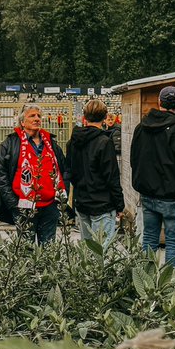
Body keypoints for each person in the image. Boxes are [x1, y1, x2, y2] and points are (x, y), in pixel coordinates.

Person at [130, 86, 175, 269]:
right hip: (174, 196)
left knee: (149, 240)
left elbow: (134, 159)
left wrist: (140, 185)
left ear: (158, 102)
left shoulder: (141, 128)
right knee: (174, 243)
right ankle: (171, 287)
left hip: (149, 194)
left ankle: (146, 282)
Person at [0, 104, 68, 245]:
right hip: (23, 206)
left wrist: (60, 198)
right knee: (25, 250)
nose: (37, 119)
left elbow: (63, 170)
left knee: (48, 249)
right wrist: (12, 202)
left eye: (39, 116)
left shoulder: (50, 142)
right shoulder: (11, 143)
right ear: (22, 122)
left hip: (50, 206)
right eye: (32, 116)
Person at [65, 99, 124, 245]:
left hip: (82, 201)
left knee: (88, 250)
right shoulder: (104, 142)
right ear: (105, 118)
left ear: (84, 116)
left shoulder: (73, 141)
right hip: (102, 203)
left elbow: (69, 171)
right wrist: (119, 205)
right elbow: (111, 176)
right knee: (101, 252)